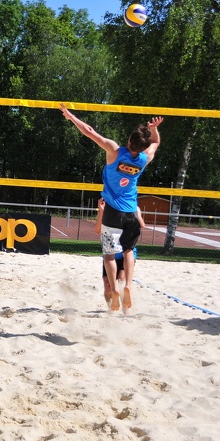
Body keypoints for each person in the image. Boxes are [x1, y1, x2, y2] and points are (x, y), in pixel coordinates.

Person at [61, 104, 163, 314]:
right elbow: (156, 143)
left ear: (129, 141)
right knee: (128, 252)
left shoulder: (114, 151)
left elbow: (90, 132)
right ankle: (128, 286)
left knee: (109, 254)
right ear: (142, 147)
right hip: (130, 213)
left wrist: (71, 117)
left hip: (112, 212)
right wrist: (154, 129)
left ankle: (115, 289)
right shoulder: (144, 159)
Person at [95, 198, 144, 309]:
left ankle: (125, 313)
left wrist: (137, 214)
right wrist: (101, 212)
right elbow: (98, 230)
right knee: (108, 286)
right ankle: (111, 309)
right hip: (112, 252)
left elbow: (141, 225)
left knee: (121, 282)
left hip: (123, 253)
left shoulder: (132, 208)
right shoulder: (107, 210)